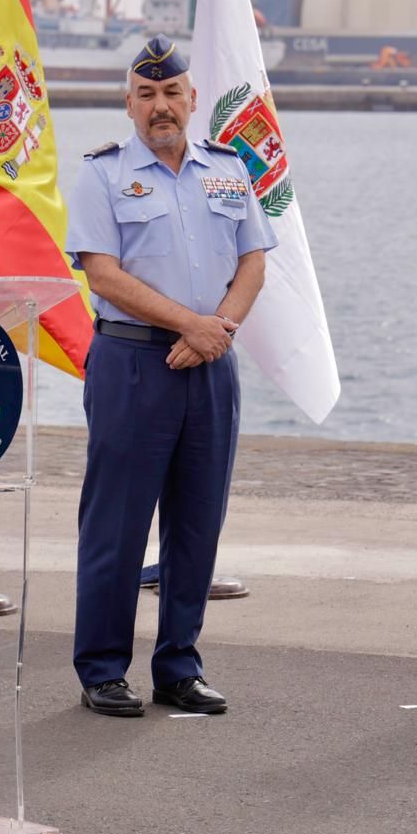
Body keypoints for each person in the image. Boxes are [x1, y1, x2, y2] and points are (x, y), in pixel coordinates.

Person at [64, 36, 278, 717]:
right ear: (129, 104)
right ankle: (102, 668)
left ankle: (179, 666)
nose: (161, 106)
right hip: (133, 363)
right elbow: (103, 273)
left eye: (172, 93)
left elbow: (252, 263)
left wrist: (216, 332)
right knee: (117, 525)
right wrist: (191, 324)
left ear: (191, 100)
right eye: (147, 94)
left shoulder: (228, 169)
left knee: (196, 523)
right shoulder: (102, 174)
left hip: (212, 362)